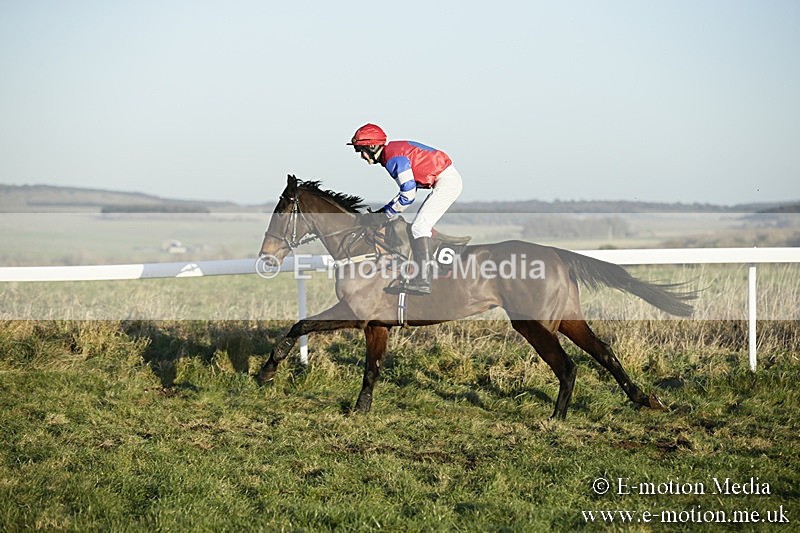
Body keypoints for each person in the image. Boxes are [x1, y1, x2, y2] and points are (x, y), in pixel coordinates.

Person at [348, 123, 463, 295]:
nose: (361, 156)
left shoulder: (393, 159)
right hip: (445, 179)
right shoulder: (391, 154)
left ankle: (423, 280)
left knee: (419, 227)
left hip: (447, 182)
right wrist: (384, 212)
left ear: (372, 146)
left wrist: (385, 215)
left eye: (361, 150)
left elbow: (408, 196)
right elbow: (407, 192)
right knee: (420, 225)